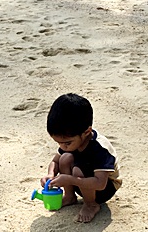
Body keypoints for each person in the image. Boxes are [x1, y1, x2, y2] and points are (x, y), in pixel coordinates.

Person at [41, 93, 121, 223]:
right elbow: (56, 160)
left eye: (67, 143)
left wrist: (70, 179)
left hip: (105, 188)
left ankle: (91, 204)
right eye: (59, 143)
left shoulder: (100, 149)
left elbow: (100, 183)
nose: (63, 146)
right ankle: (70, 196)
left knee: (78, 169)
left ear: (87, 132)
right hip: (84, 181)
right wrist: (50, 175)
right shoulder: (71, 140)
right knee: (64, 158)